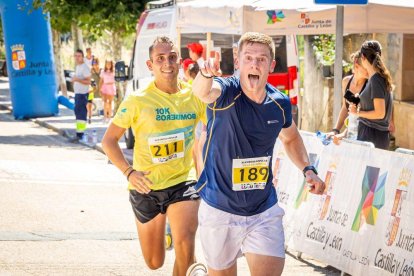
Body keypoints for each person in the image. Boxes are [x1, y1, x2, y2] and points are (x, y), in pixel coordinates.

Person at [191, 32, 325, 276]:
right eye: (249, 57)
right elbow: (202, 92)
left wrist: (308, 169)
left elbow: (291, 137)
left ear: (271, 65)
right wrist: (205, 74)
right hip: (220, 208)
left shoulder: (279, 102)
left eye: (262, 59)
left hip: (262, 210)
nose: (255, 64)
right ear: (238, 61)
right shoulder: (225, 91)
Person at [101, 36, 206, 276]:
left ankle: (179, 232)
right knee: (154, 261)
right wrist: (129, 173)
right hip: (146, 187)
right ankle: (167, 225)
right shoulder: (138, 100)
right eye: (160, 59)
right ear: (150, 65)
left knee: (186, 248)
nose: (167, 63)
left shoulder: (195, 97)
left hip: (183, 182)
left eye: (172, 57)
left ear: (180, 62)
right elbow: (108, 141)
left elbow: (216, 133)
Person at [348, 40, 393, 150]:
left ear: (363, 57)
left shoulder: (376, 80)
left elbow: (380, 113)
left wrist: (357, 112)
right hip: (375, 135)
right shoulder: (377, 78)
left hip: (371, 135)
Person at [327, 51, 368, 141]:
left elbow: (361, 116)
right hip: (350, 133)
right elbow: (345, 108)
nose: (369, 69)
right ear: (356, 64)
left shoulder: (369, 86)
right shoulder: (346, 81)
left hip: (364, 134)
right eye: (366, 67)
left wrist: (344, 133)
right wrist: (336, 130)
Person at [71, 49, 91, 141]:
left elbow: (88, 81)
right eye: (76, 56)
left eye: (79, 56)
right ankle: (79, 133)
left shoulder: (85, 67)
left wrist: (77, 80)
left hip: (83, 95)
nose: (77, 58)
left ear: (82, 57)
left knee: (81, 114)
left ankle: (81, 134)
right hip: (78, 94)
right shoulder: (78, 66)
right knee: (78, 113)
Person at [86, 57, 101, 124]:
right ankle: (87, 117)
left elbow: (95, 87)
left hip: (92, 92)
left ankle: (90, 118)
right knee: (86, 106)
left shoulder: (92, 80)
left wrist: (91, 91)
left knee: (90, 106)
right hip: (85, 93)